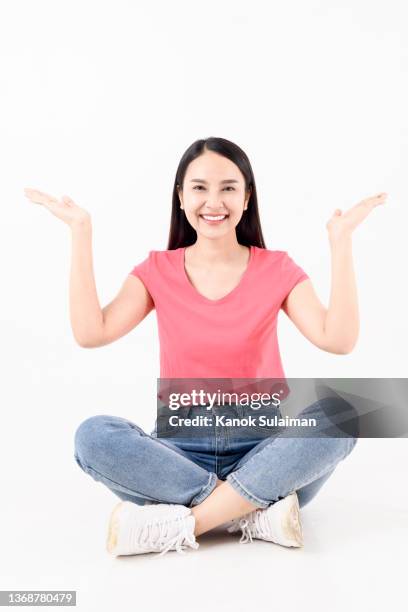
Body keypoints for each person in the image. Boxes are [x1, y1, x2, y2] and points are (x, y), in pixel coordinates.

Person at [24, 137, 387, 558]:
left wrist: (341, 241)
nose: (213, 201)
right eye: (199, 187)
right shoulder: (156, 271)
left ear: (247, 197)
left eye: (228, 188)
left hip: (266, 450)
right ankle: (254, 512)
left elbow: (338, 340)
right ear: (180, 197)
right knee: (92, 436)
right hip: (179, 457)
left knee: (340, 415)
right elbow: (92, 332)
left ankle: (190, 521)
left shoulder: (277, 268)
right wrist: (80, 231)